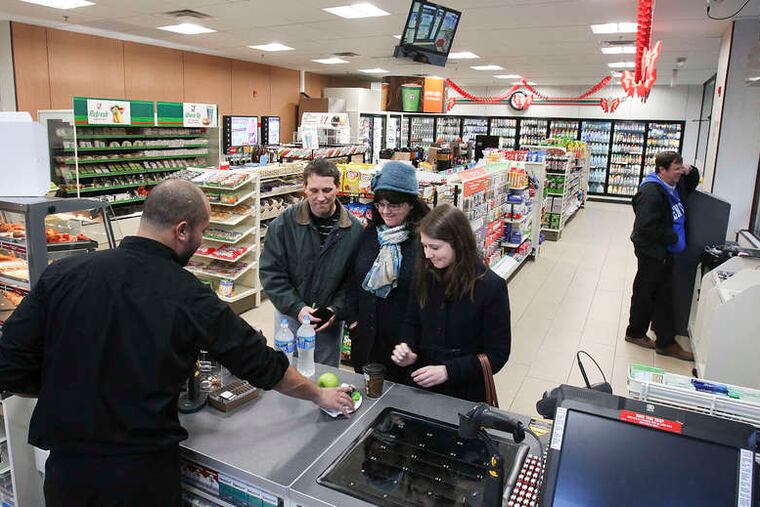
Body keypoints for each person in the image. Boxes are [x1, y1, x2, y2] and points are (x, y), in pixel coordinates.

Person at [0, 180, 354, 507]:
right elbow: (260, 363)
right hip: (142, 479)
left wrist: (67, 387)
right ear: (182, 230)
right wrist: (318, 394)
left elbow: (9, 366)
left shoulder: (64, 274)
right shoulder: (189, 296)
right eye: (201, 231)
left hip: (68, 475)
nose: (201, 241)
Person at [391, 204, 511, 403]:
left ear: (458, 243)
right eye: (424, 246)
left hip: (465, 393)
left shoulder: (491, 287)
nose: (428, 255)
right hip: (420, 385)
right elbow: (411, 322)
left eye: (435, 247)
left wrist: (449, 371)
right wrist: (407, 349)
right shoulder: (423, 274)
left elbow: (497, 355)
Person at [260, 159, 363, 367]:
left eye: (327, 189)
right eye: (313, 190)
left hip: (327, 324)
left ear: (338, 187)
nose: (321, 197)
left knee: (325, 380)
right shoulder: (283, 224)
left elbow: (353, 282)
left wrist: (335, 310)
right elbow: (271, 273)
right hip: (289, 318)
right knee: (286, 375)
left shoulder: (354, 231)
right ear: (304, 188)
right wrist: (297, 307)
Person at [348, 161, 430, 380]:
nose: (385, 211)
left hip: (404, 348)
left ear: (411, 203)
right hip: (366, 342)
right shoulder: (370, 235)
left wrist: (412, 343)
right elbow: (352, 279)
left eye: (394, 205)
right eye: (381, 204)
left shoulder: (424, 242)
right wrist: (354, 320)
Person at [625, 151, 700, 360]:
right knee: (650, 292)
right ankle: (648, 336)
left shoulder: (674, 186)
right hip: (652, 251)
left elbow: (692, 181)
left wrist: (690, 170)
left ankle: (649, 335)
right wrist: (672, 238)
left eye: (680, 167)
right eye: (676, 169)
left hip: (663, 251)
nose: (680, 173)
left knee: (656, 292)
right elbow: (644, 226)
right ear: (662, 170)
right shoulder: (652, 192)